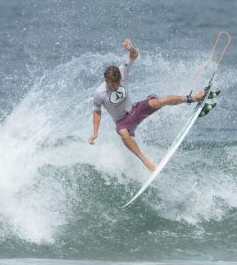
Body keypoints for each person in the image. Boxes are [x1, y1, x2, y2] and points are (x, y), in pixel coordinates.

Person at [88, 39, 206, 172]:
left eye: (117, 83)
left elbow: (134, 55)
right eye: (112, 84)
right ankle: (147, 162)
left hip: (135, 109)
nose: (115, 86)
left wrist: (131, 48)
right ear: (106, 80)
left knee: (160, 101)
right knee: (122, 133)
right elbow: (97, 112)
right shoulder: (99, 93)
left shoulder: (122, 71)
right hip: (123, 122)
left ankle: (192, 98)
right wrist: (95, 133)